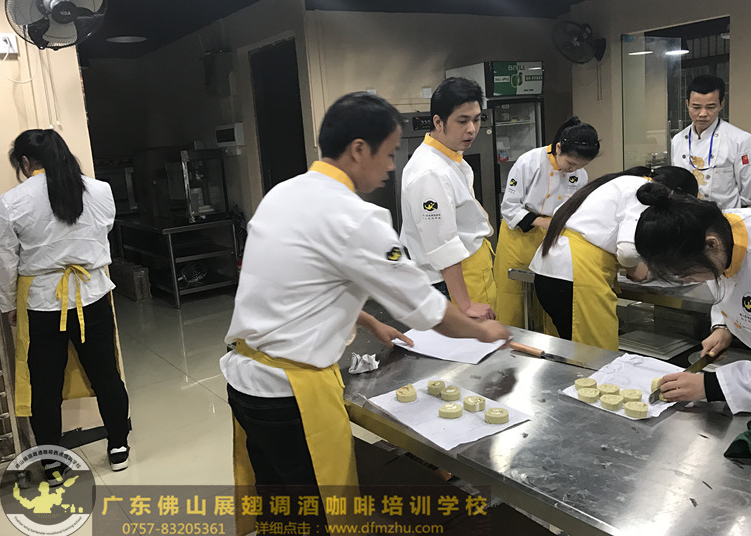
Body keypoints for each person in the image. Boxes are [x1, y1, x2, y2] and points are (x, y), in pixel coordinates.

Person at [220, 92, 508, 512]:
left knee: (278, 504)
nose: (391, 166)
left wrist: (370, 322)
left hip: (244, 383)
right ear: (358, 149)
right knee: (316, 513)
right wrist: (484, 332)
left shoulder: (284, 193)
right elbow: (426, 309)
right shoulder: (357, 218)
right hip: (289, 394)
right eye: (388, 153)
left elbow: (296, 285)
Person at [0, 129, 130, 474]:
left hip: (42, 303)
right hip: (92, 294)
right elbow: (102, 232)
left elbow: (5, 260)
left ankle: (53, 462)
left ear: (26, 161)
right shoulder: (100, 190)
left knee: (45, 386)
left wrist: (8, 304)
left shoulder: (11, 203)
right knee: (105, 374)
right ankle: (118, 445)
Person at [634, 183, 751, 413]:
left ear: (711, 244)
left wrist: (711, 386)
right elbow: (729, 283)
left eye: (687, 273)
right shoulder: (718, 230)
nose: (687, 281)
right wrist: (724, 326)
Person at [529, 166, 698, 350]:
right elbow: (628, 251)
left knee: (569, 349)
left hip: (553, 270)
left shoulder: (620, 182)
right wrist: (636, 268)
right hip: (575, 274)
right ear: (676, 192)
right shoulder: (645, 192)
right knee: (594, 353)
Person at [400, 77, 495, 320]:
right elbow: (441, 244)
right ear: (438, 122)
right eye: (462, 121)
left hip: (467, 271)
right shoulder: (430, 171)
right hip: (449, 284)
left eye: (477, 119)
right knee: (466, 343)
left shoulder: (449, 158)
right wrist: (465, 305)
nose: (472, 128)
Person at [493, 117, 599, 329]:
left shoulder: (580, 174)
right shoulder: (529, 162)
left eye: (581, 166)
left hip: (555, 237)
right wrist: (544, 223)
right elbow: (509, 207)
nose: (574, 170)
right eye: (571, 164)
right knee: (513, 298)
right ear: (558, 148)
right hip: (520, 236)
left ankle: (551, 346)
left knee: (551, 297)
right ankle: (510, 343)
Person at [670, 74, 751, 209]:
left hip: (727, 217)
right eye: (696, 107)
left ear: (721, 104)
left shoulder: (740, 140)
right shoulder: (678, 140)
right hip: (686, 216)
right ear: (687, 104)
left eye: (710, 107)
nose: (703, 114)